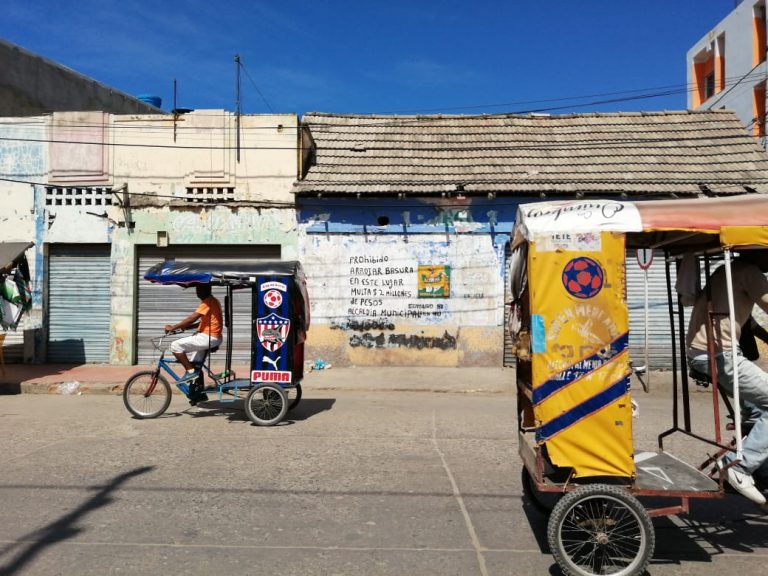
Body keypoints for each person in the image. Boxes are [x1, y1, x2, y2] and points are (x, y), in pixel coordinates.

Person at [686, 249, 768, 505]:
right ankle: (740, 468)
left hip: (703, 352)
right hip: (721, 355)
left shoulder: (727, 271)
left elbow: (748, 322)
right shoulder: (750, 273)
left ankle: (760, 471)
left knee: (755, 412)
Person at [164, 284, 223, 400]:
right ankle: (199, 394)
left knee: (175, 346)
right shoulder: (212, 301)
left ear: (207, 289)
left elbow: (192, 318)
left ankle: (190, 372)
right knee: (196, 364)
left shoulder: (207, 302)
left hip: (209, 337)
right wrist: (186, 328)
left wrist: (174, 327)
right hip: (212, 336)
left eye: (200, 289)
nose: (197, 291)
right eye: (197, 289)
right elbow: (203, 322)